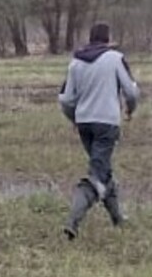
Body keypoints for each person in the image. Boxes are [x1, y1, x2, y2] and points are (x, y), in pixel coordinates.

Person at [58, 22, 139, 239]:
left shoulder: (75, 62)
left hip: (84, 124)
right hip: (107, 124)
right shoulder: (115, 58)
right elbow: (131, 92)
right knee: (97, 175)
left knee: (102, 168)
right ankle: (72, 222)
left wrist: (73, 118)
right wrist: (130, 110)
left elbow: (65, 98)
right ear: (107, 39)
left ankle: (118, 219)